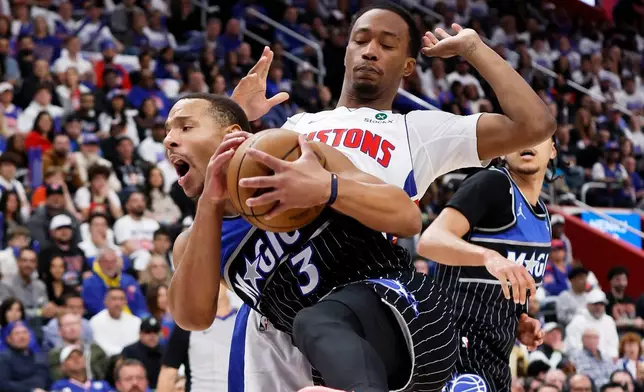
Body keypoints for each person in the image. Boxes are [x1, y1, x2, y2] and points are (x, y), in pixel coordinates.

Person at [170, 1, 555, 391]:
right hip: (277, 323)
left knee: (328, 331)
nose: (370, 50)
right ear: (346, 51)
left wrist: (474, 48)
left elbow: (534, 124)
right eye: (360, 40)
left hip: (363, 295)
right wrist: (237, 121)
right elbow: (223, 173)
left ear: (408, 65)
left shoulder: (418, 130)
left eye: (387, 45)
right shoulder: (298, 126)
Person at [416, 137, 555, 392]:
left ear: (553, 150)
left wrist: (519, 320)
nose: (528, 140)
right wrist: (487, 256)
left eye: (539, 137)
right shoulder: (492, 183)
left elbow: (510, 285)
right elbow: (429, 241)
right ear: (503, 151)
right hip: (453, 344)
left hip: (496, 356)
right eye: (523, 134)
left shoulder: (543, 214)